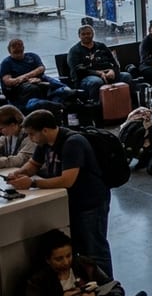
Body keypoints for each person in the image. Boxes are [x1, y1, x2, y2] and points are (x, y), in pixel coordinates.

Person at [7, 110, 114, 278]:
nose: (31, 138)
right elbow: (33, 164)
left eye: (32, 134)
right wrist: (18, 174)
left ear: (45, 130)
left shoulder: (73, 143)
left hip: (90, 203)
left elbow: (67, 180)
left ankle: (107, 284)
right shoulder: (44, 143)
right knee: (78, 247)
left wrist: (32, 183)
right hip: (72, 202)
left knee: (95, 248)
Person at [25, 229, 125, 296]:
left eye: (69, 256)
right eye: (59, 259)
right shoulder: (37, 282)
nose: (66, 262)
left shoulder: (84, 264)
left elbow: (113, 288)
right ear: (48, 260)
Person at [2, 38, 78, 112]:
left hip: (41, 80)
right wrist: (25, 80)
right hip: (24, 88)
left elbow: (41, 68)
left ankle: (69, 94)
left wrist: (29, 76)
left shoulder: (32, 56)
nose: (18, 53)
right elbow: (8, 81)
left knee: (62, 88)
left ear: (23, 48)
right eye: (15, 51)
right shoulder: (6, 63)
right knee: (33, 94)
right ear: (9, 50)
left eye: (20, 50)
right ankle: (54, 105)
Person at [66, 25, 134, 102]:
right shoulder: (74, 51)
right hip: (86, 78)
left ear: (93, 34)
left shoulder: (101, 46)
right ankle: (96, 105)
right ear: (79, 36)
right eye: (83, 34)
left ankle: (129, 103)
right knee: (97, 81)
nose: (86, 36)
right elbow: (78, 70)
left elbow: (114, 63)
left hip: (107, 73)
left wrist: (113, 71)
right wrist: (98, 73)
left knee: (126, 76)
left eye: (88, 33)